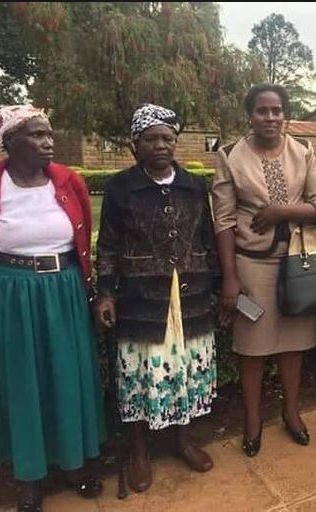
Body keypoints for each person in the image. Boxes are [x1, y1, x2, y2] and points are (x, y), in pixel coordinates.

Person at [0, 105, 106, 511]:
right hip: (9, 294)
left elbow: (83, 240)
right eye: (36, 135)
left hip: (64, 291)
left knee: (66, 377)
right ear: (10, 141)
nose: (48, 141)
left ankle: (72, 465)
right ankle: (29, 476)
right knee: (21, 382)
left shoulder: (70, 182)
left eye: (49, 133)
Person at [95, 104, 218, 493]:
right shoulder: (121, 187)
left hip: (190, 294)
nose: (160, 145)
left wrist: (216, 287)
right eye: (151, 138)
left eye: (167, 137)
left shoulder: (194, 185)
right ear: (136, 144)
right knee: (139, 374)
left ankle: (183, 440)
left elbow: (208, 240)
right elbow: (109, 246)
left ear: (176, 142)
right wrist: (105, 293)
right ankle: (139, 450)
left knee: (185, 370)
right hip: (141, 297)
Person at [212, 84, 316, 457]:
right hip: (251, 266)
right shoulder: (230, 155)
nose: (270, 117)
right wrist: (230, 277)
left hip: (298, 262)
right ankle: (252, 420)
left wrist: (283, 212)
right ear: (250, 114)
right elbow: (224, 220)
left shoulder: (304, 151)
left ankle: (291, 411)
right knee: (252, 348)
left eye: (277, 110)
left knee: (294, 345)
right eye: (262, 110)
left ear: (285, 114)